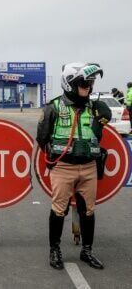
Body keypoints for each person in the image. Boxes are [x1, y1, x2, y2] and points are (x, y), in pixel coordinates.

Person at [36, 62, 111, 270]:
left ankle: (87, 251)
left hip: (88, 168)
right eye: (84, 83)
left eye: (90, 83)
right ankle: (55, 250)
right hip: (63, 169)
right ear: (70, 84)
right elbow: (42, 137)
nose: (88, 86)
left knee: (89, 210)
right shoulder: (54, 107)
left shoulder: (94, 108)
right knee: (59, 209)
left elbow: (98, 135)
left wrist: (101, 121)